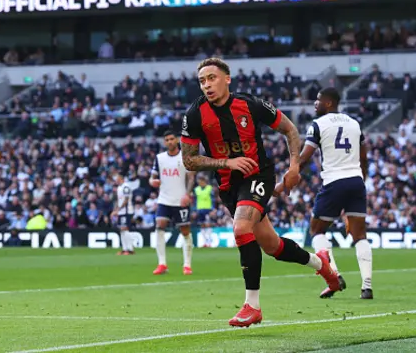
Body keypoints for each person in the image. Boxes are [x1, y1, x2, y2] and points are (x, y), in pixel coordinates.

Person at [180, 58, 340, 327]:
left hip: (258, 174)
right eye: (202, 81)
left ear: (227, 79)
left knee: (241, 228)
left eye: (212, 78)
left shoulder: (250, 104)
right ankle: (321, 264)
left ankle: (252, 305)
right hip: (228, 185)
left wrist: (293, 167)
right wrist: (225, 163)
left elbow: (289, 129)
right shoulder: (194, 115)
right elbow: (189, 160)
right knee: (273, 247)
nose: (207, 85)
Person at [276, 87, 373, 300]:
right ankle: (367, 286)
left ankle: (335, 276)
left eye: (318, 100)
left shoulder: (318, 125)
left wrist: (284, 181)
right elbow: (364, 158)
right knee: (359, 235)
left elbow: (304, 157)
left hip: (334, 182)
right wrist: (361, 181)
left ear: (329, 103)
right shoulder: (355, 124)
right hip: (356, 181)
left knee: (317, 229)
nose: (315, 104)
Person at [150, 130, 195, 275]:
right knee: (159, 226)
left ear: (177, 140)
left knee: (185, 231)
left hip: (180, 200)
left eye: (171, 139)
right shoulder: (159, 158)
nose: (169, 142)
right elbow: (152, 177)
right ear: (164, 142)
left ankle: (187, 265)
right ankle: (162, 263)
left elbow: (191, 177)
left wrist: (187, 195)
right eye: (167, 140)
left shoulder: (185, 157)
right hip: (164, 200)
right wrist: (153, 181)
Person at [115, 172, 140, 255]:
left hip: (127, 211)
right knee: (122, 230)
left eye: (117, 179)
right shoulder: (119, 188)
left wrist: (118, 209)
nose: (116, 181)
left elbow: (126, 200)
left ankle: (130, 249)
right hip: (121, 212)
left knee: (125, 229)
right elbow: (119, 200)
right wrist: (116, 210)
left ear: (121, 179)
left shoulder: (126, 187)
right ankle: (124, 248)